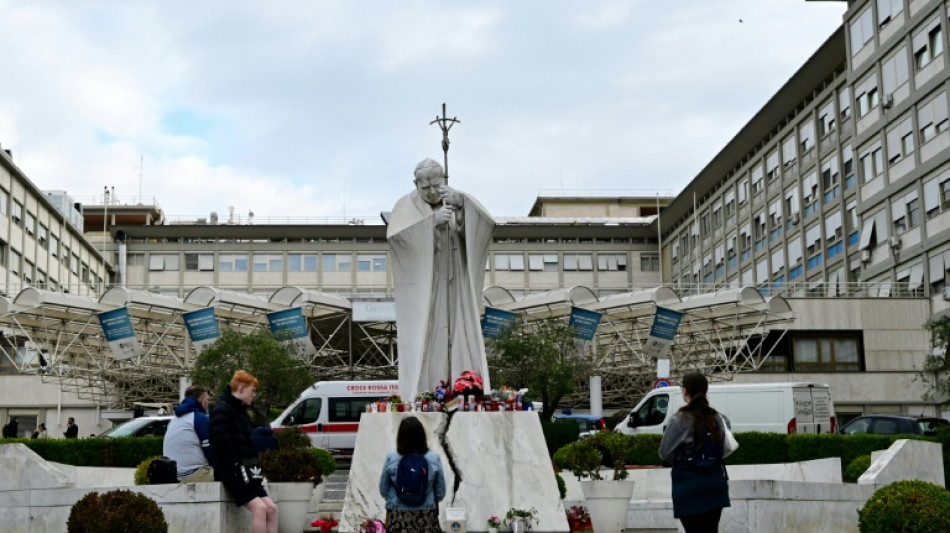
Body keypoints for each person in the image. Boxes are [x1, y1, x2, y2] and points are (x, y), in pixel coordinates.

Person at [387, 158, 495, 400]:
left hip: (456, 279)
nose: (432, 192)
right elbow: (396, 239)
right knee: (430, 331)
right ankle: (427, 389)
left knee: (461, 327)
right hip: (427, 283)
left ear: (443, 180)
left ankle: (465, 383)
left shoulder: (456, 198)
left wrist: (462, 206)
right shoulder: (405, 205)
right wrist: (431, 224)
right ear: (415, 184)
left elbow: (487, 225)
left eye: (436, 185)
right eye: (425, 188)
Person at [658, 372, 731, 533]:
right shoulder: (720, 418)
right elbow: (725, 448)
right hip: (715, 485)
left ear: (685, 391)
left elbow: (665, 453)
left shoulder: (679, 419)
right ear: (705, 391)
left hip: (689, 486)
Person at [210, 370, 278, 533]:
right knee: (260, 509)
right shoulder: (223, 409)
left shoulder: (239, 411)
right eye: (252, 390)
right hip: (231, 472)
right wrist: (236, 467)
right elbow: (222, 444)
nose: (254, 395)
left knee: (271, 508)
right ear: (241, 388)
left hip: (246, 471)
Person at [378, 416, 446, 533]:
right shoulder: (434, 458)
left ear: (400, 437)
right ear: (422, 436)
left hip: (398, 513)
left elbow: (384, 490)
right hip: (427, 513)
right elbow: (440, 492)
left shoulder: (392, 457)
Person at [164, 385, 214, 482]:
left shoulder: (174, 421)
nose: (208, 404)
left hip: (174, 475)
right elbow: (210, 449)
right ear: (202, 399)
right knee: (236, 477)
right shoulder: (199, 418)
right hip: (195, 474)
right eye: (207, 400)